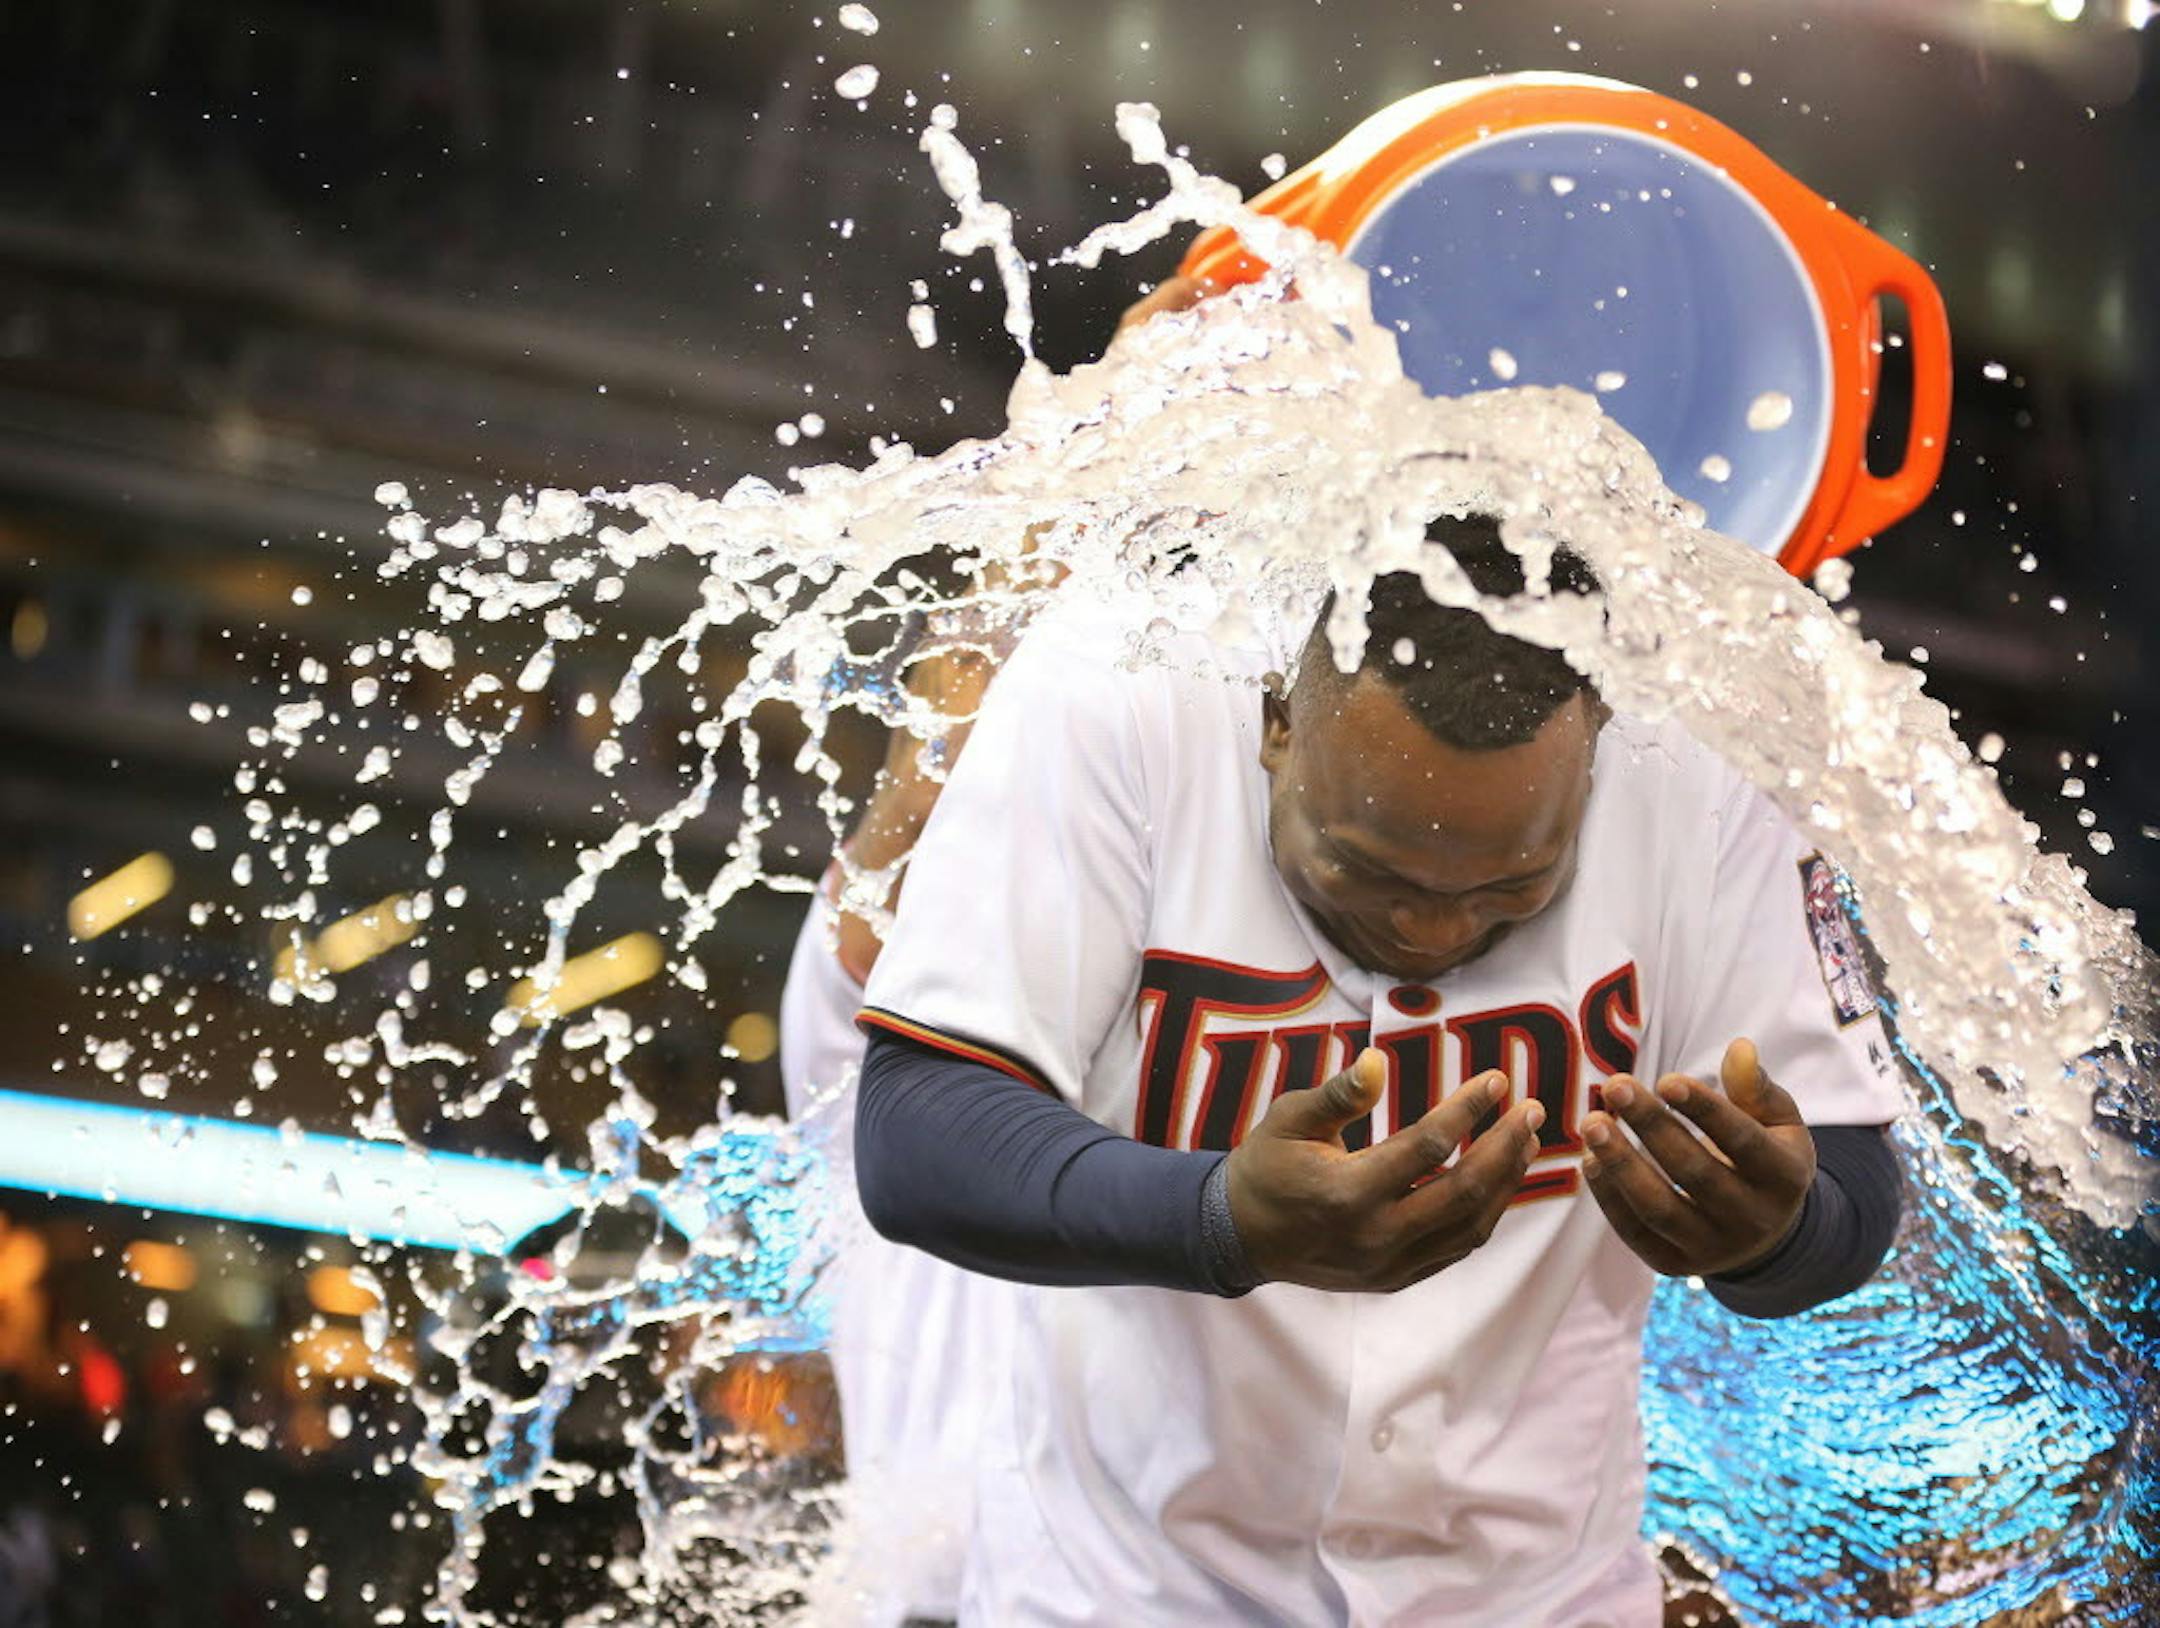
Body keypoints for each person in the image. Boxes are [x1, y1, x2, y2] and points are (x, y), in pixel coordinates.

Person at [851, 517, 1907, 1625]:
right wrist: (1216, 1219)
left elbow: (1850, 1174)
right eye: (1367, 866)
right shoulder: (1123, 674)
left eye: (1511, 884)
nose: (1430, 922)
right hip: (1125, 1582)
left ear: (1597, 744)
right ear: (1275, 721)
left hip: (1536, 1597)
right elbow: (919, 1127)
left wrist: (1773, 1238)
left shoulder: (1701, 750)